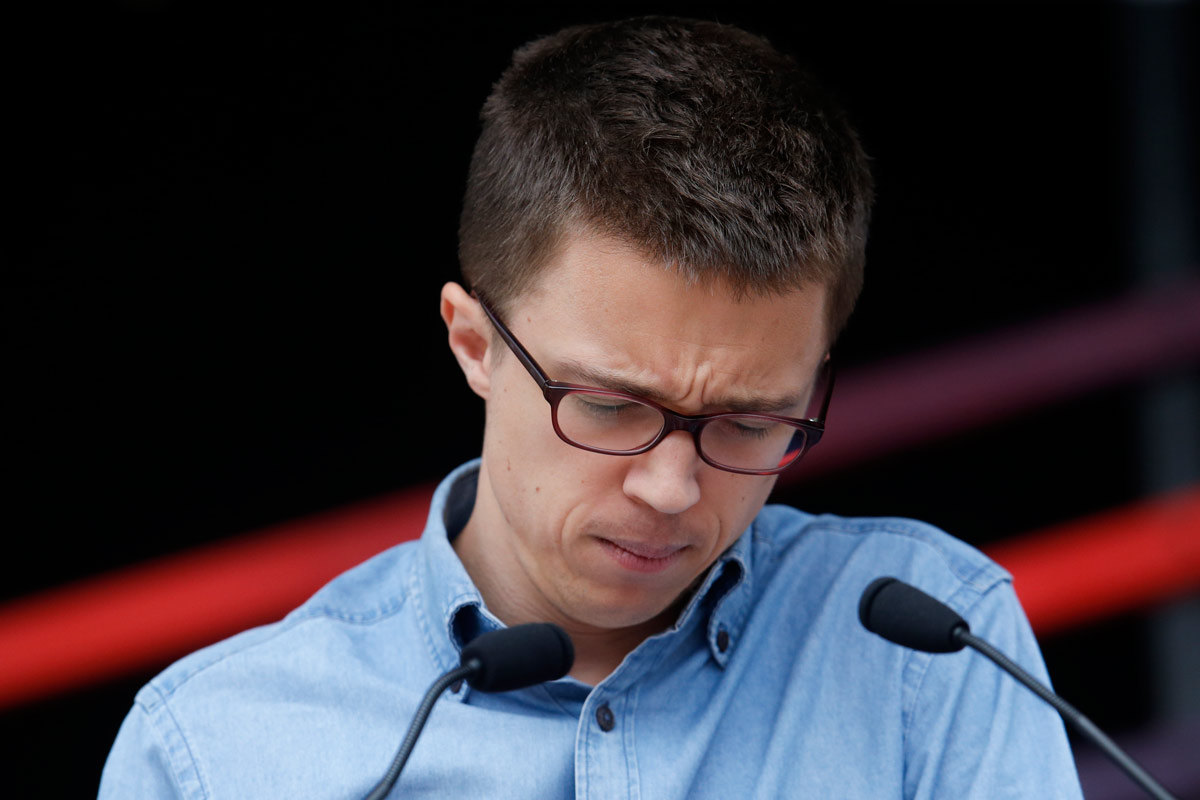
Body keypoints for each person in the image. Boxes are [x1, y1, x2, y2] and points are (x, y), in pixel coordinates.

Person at [100, 17, 1083, 798]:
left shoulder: (930, 649)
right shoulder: (216, 752)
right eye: (612, 406)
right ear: (474, 343)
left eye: (751, 421)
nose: (671, 488)